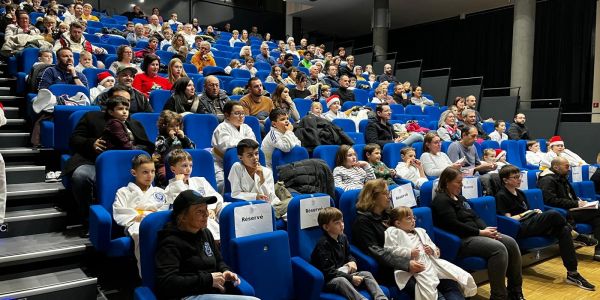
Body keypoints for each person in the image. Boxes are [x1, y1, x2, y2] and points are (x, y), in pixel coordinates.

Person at [352, 179, 464, 299]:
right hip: (395, 268)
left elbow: (412, 232)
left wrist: (431, 248)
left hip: (418, 258)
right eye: (385, 193)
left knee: (450, 281)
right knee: (431, 290)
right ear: (373, 197)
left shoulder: (389, 214)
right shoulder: (363, 222)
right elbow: (375, 251)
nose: (389, 196)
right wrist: (406, 264)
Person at [496, 165, 596, 290]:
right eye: (515, 177)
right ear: (505, 180)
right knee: (553, 213)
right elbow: (508, 219)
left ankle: (573, 273)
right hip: (519, 228)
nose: (519, 179)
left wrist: (533, 212)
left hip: (530, 223)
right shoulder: (501, 195)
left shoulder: (520, 193)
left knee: (563, 230)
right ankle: (575, 234)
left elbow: (528, 211)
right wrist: (526, 214)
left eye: (519, 176)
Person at [64, 97, 154, 236]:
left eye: (127, 106)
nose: (125, 111)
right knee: (81, 176)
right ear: (110, 108)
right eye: (120, 106)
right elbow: (74, 140)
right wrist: (92, 143)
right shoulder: (92, 117)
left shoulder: (134, 123)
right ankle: (91, 220)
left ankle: (142, 218)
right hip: (93, 161)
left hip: (132, 164)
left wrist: (137, 150)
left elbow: (148, 145)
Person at [430, 167, 524, 300]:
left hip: (477, 234)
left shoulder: (460, 198)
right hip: (461, 239)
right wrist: (480, 232)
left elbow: (475, 217)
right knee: (499, 248)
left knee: (511, 242)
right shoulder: (441, 200)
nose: (461, 185)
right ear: (446, 182)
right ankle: (499, 296)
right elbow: (454, 225)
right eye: (458, 182)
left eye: (461, 181)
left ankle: (515, 292)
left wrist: (488, 231)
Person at [155, 190, 259, 300]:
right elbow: (167, 282)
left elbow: (219, 261)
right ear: (182, 217)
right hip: (187, 295)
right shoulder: (170, 242)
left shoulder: (205, 232)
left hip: (210, 290)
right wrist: (208, 280)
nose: (206, 214)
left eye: (206, 209)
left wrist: (225, 271)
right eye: (199, 211)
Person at [385, 206, 477, 300]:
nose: (413, 220)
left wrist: (431, 250)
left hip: (431, 262)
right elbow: (390, 252)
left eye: (414, 218)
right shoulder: (393, 233)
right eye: (409, 219)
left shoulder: (420, 231)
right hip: (414, 268)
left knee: (457, 276)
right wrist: (409, 252)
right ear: (398, 223)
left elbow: (435, 250)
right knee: (429, 293)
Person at [311, 207, 388, 300]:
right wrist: (351, 278)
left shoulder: (343, 237)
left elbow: (349, 255)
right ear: (326, 227)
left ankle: (381, 298)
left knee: (366, 274)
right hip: (330, 279)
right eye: (337, 223)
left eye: (342, 221)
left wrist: (352, 261)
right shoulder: (323, 244)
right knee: (341, 280)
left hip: (343, 272)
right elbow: (328, 272)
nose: (342, 225)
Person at [113, 154, 168, 273]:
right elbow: (119, 211)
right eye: (145, 172)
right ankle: (147, 274)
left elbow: (165, 211)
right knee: (142, 234)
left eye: (153, 171)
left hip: (157, 223)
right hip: (136, 224)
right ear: (134, 173)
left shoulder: (160, 192)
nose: (150, 175)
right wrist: (144, 214)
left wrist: (144, 213)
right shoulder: (123, 192)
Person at [538, 157, 600, 260]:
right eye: (567, 166)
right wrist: (576, 204)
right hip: (562, 213)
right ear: (556, 167)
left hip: (571, 209)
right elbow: (550, 201)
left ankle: (598, 251)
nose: (569, 168)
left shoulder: (561, 177)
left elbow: (569, 196)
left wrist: (581, 202)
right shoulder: (547, 180)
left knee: (598, 218)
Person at [164, 149, 223, 241]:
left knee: (225, 206)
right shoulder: (170, 188)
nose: (188, 169)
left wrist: (211, 208)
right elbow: (185, 204)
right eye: (184, 166)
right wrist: (179, 182)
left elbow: (216, 196)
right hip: (193, 224)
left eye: (190, 166)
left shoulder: (200, 181)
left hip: (210, 216)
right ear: (173, 169)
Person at [211, 101, 256, 191]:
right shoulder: (221, 128)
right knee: (223, 184)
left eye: (243, 113)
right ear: (227, 115)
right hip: (221, 164)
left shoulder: (246, 127)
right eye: (237, 113)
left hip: (244, 164)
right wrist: (245, 143)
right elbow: (227, 145)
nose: (241, 116)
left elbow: (254, 143)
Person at [228, 139, 280, 204]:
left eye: (256, 154)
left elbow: (270, 198)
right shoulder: (237, 167)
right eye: (250, 155)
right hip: (246, 206)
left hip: (268, 206)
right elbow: (235, 194)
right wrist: (255, 197)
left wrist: (262, 178)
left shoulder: (267, 171)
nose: (255, 157)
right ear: (240, 157)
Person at [153, 111, 196, 185]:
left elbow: (193, 149)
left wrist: (184, 138)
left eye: (177, 125)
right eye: (172, 126)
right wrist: (170, 139)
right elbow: (159, 150)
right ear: (164, 126)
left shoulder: (181, 138)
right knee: (164, 175)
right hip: (164, 165)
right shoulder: (161, 138)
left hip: (181, 163)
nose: (176, 128)